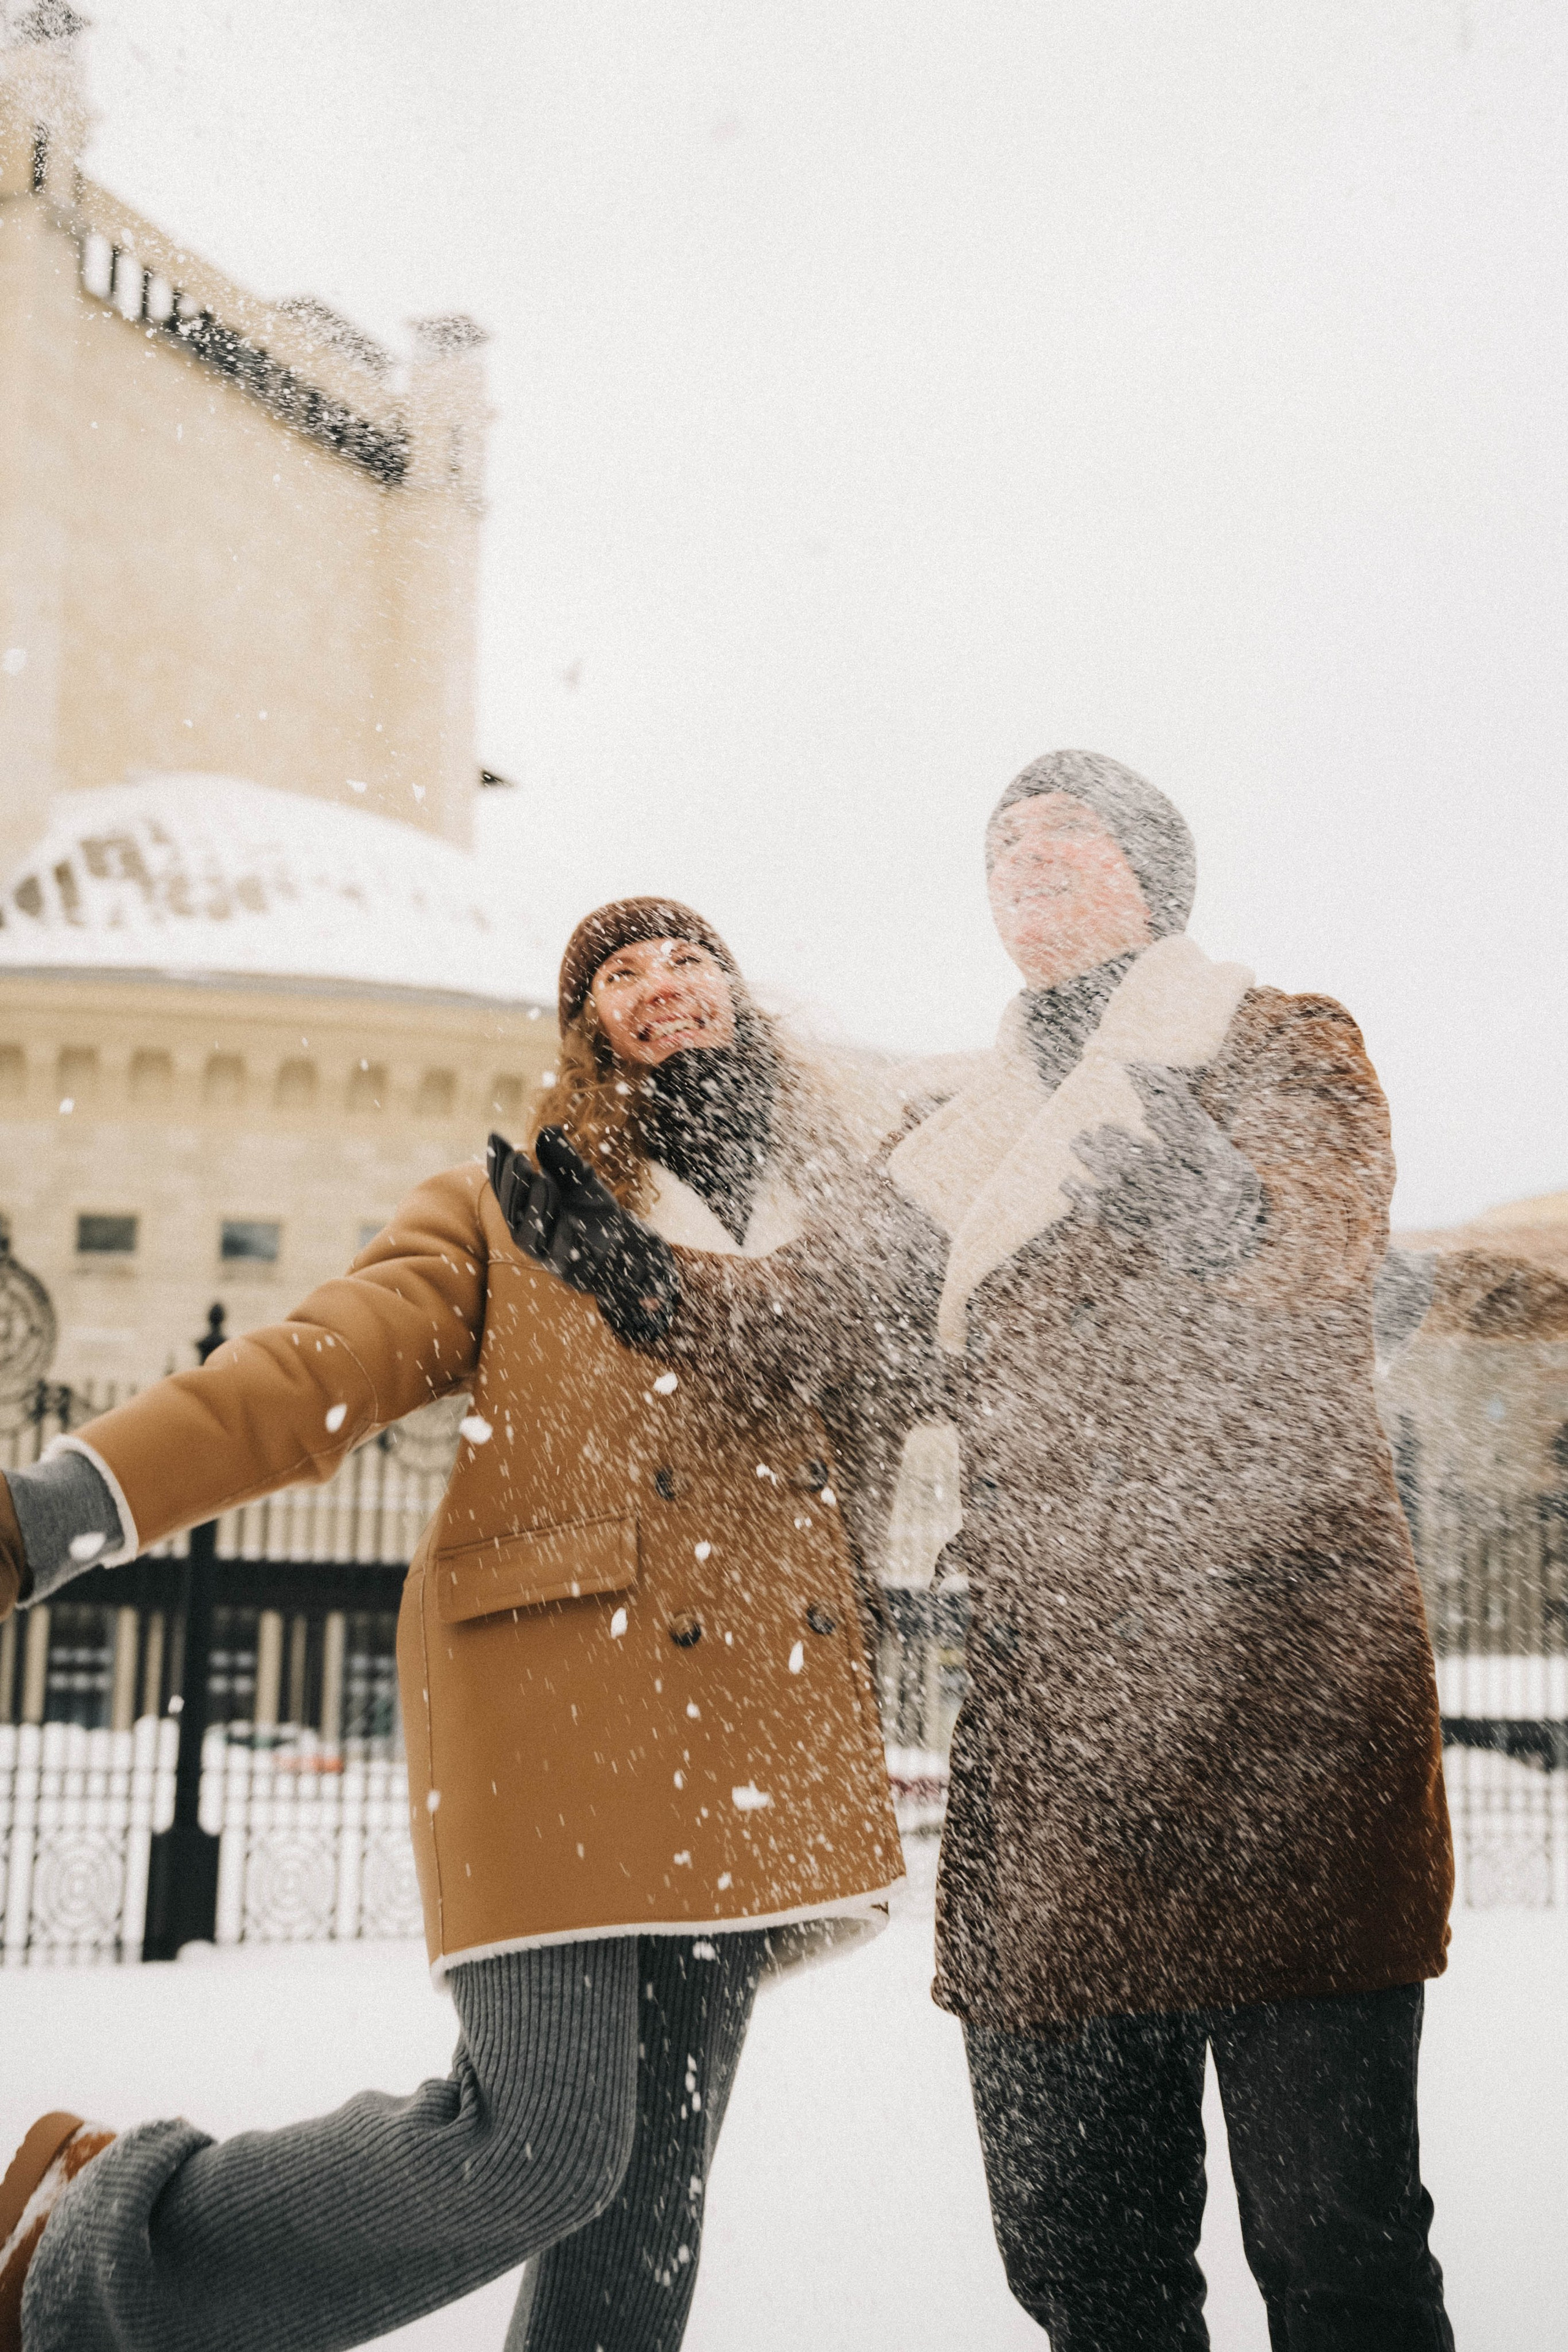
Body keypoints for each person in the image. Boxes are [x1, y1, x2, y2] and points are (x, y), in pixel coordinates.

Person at [510, 755, 1458, 2351]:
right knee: (1080, 2258)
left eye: (1065, 829)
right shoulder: (951, 1135)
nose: (1026, 854)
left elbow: (1323, 1227)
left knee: (1338, 2247)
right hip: (1053, 1738)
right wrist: (645, 1279)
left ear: (1152, 870)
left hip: (1280, 1702)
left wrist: (1224, 1214)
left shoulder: (1275, 1035)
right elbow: (822, 1322)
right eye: (1002, 840)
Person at [0, 897, 903, 2352]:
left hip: (755, 1731)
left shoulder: (845, 1231)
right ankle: (94, 2238)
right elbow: (310, 1372)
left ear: (742, 997)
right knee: (535, 2147)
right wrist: (57, 1507)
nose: (661, 982)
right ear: (585, 1029)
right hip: (561, 1716)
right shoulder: (512, 1207)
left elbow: (916, 1375)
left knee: (645, 2195)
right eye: (620, 972)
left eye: (689, 959)